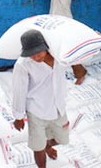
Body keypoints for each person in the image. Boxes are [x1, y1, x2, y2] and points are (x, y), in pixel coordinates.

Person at [13, 29, 70, 168]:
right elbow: (19, 91)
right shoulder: (23, 65)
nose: (35, 57)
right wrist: (18, 116)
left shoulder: (59, 55)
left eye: (38, 53)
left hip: (58, 107)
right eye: (31, 55)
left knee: (61, 139)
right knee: (37, 146)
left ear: (45, 47)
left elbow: (77, 57)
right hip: (36, 110)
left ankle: (47, 146)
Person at [32, 0, 87, 85]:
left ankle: (80, 72)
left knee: (62, 50)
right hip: (58, 21)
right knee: (56, 49)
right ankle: (77, 72)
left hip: (63, 22)